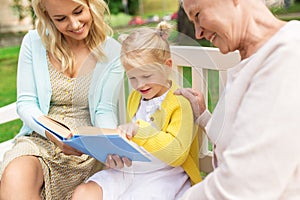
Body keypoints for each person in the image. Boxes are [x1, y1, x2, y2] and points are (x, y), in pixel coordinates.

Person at [174, 0, 300, 199]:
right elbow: (241, 137)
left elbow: (245, 185)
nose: (197, 33)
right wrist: (204, 117)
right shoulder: (253, 56)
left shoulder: (288, 54)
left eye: (197, 15)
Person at [0, 0, 124, 199]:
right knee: (16, 175)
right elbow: (26, 104)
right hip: (40, 140)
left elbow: (104, 109)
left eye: (78, 12)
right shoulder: (33, 42)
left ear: (91, 4)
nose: (74, 24)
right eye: (61, 18)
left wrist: (108, 142)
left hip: (86, 150)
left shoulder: (112, 51)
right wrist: (54, 134)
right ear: (47, 16)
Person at [71, 21, 202, 200]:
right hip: (132, 168)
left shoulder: (180, 103)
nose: (140, 84)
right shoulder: (136, 97)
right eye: (132, 78)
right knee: (84, 193)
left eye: (146, 76)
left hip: (165, 176)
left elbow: (176, 154)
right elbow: (133, 141)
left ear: (167, 65)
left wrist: (139, 130)